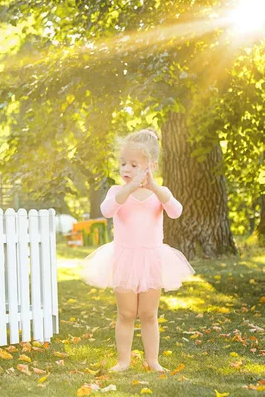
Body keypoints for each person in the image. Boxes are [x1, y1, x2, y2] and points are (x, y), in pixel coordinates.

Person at [80, 128, 194, 373]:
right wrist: (128, 189)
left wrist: (154, 187)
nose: (126, 169)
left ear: (150, 166)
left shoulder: (159, 194)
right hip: (125, 258)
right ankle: (123, 361)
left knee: (149, 313)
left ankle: (153, 360)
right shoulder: (117, 192)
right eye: (123, 164)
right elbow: (107, 210)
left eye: (133, 164)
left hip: (152, 259)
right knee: (127, 313)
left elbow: (176, 211)